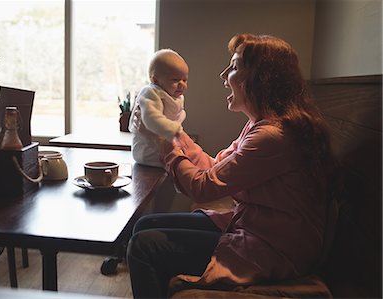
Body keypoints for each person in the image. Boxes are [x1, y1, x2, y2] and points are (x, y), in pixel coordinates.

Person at [127, 33, 335, 298]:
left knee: (143, 246)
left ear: (260, 80)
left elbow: (204, 188)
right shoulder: (258, 125)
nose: (224, 74)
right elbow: (215, 167)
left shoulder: (273, 136)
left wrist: (165, 142)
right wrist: (175, 134)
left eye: (234, 67)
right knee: (146, 224)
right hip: (253, 227)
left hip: (274, 247)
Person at [129, 49, 189, 168]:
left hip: (163, 142)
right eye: (175, 80)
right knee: (177, 164)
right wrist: (173, 129)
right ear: (155, 80)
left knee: (183, 159)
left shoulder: (176, 96)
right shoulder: (151, 92)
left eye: (185, 80)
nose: (182, 84)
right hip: (145, 152)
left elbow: (178, 114)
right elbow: (150, 117)